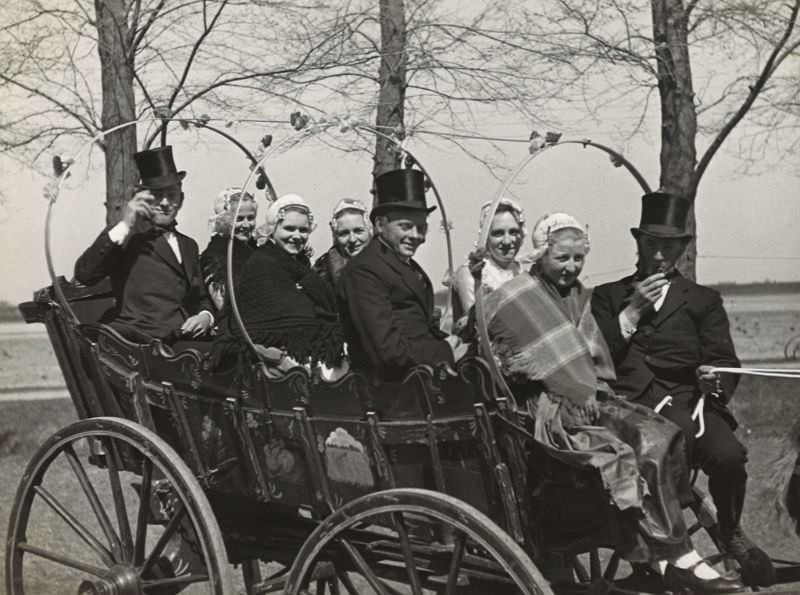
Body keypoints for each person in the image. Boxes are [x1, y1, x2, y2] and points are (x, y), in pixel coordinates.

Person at [483, 212, 744, 593]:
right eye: (562, 258)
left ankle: (672, 552)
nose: (570, 267)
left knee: (663, 435)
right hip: (545, 407)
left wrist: (587, 388)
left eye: (578, 259)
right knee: (639, 444)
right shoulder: (520, 295)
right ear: (541, 256)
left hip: (590, 395)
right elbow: (537, 358)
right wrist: (574, 390)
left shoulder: (578, 297)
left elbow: (593, 354)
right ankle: (677, 555)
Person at [591, 192, 775, 587]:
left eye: (668, 247)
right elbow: (596, 356)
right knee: (658, 452)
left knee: (727, 455)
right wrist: (632, 312)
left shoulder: (703, 300)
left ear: (680, 250)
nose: (659, 256)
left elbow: (725, 361)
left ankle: (730, 529)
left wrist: (715, 382)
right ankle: (658, 556)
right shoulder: (607, 297)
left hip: (690, 403)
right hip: (632, 408)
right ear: (638, 243)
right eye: (652, 245)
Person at [74, 145, 213, 344]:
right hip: (141, 344)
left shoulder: (189, 245)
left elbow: (200, 297)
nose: (165, 203)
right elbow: (85, 274)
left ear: (181, 199)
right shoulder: (128, 237)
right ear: (142, 199)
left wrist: (205, 316)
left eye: (172, 195)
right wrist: (125, 223)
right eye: (157, 195)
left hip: (185, 341)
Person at [338, 168, 467, 382]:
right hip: (393, 391)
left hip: (419, 377)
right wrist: (444, 351)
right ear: (379, 225)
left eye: (422, 228)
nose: (416, 236)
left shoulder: (405, 266)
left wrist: (454, 341)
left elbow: (419, 328)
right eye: (405, 227)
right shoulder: (363, 272)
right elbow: (387, 350)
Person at [217, 194, 347, 379]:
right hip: (278, 360)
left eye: (303, 230)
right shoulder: (261, 265)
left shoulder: (301, 267)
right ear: (272, 229)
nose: (297, 236)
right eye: (289, 229)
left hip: (308, 354)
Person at [200, 187, 259, 313]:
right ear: (224, 220)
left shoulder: (256, 250)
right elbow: (223, 304)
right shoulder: (214, 257)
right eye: (239, 219)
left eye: (250, 218)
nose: (246, 225)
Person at [312, 198, 372, 288]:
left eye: (358, 231)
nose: (352, 239)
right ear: (335, 236)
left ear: (370, 230)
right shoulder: (323, 269)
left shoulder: (388, 259)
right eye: (344, 234)